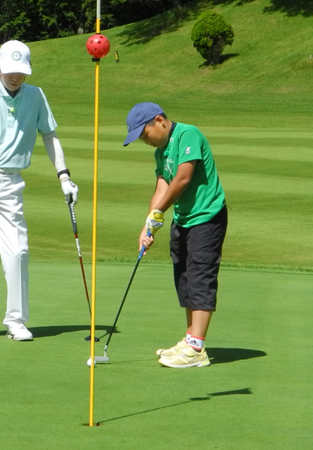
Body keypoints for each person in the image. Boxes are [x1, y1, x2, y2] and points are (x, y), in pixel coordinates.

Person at [0, 40, 78, 342]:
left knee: (18, 252)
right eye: (9, 71)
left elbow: (50, 135)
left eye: (20, 72)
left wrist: (64, 176)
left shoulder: (36, 96)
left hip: (11, 182)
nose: (15, 77)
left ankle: (16, 320)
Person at [123, 102, 228, 368]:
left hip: (207, 216)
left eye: (144, 134)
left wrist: (159, 212)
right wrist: (149, 224)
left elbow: (182, 178)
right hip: (182, 219)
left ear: (159, 121)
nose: (145, 141)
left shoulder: (187, 134)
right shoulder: (160, 152)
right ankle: (190, 338)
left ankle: (196, 348)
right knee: (184, 277)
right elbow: (162, 185)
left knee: (200, 276)